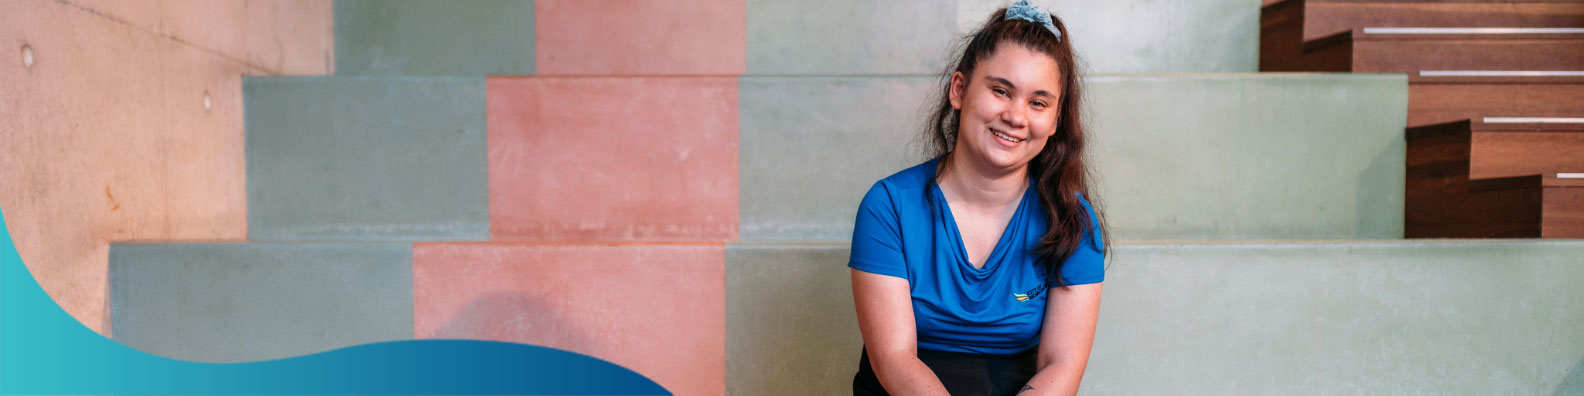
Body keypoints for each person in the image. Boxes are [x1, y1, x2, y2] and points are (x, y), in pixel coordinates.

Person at [847, 1, 1107, 395]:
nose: (1017, 117)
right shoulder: (889, 207)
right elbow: (894, 360)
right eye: (1001, 91)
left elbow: (1062, 364)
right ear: (960, 90)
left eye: (1038, 102)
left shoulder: (1072, 219)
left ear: (1054, 121)